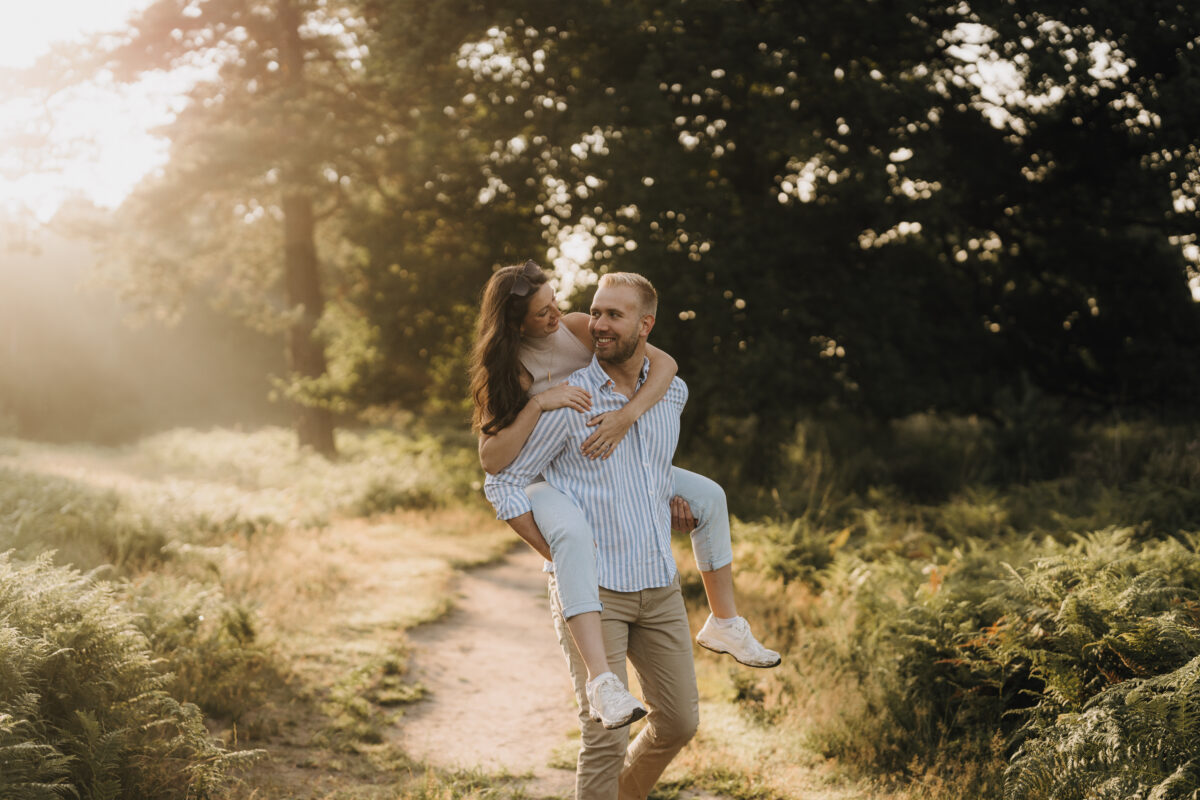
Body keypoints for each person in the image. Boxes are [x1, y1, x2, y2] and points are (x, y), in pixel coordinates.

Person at [468, 261, 779, 730]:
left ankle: (725, 622)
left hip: (610, 444)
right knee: (572, 537)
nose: (559, 314)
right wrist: (536, 404)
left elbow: (666, 364)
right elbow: (494, 462)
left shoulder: (575, 327)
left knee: (710, 497)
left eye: (554, 301)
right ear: (516, 324)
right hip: (550, 471)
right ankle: (602, 681)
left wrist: (627, 416)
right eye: (542, 312)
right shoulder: (509, 372)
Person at [484, 272, 713, 799]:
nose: (599, 325)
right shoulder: (566, 402)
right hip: (597, 590)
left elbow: (653, 470)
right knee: (605, 734)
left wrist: (670, 501)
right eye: (598, 313)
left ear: (645, 325)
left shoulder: (669, 392)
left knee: (678, 723)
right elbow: (502, 478)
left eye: (614, 315)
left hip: (657, 581)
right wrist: (555, 554)